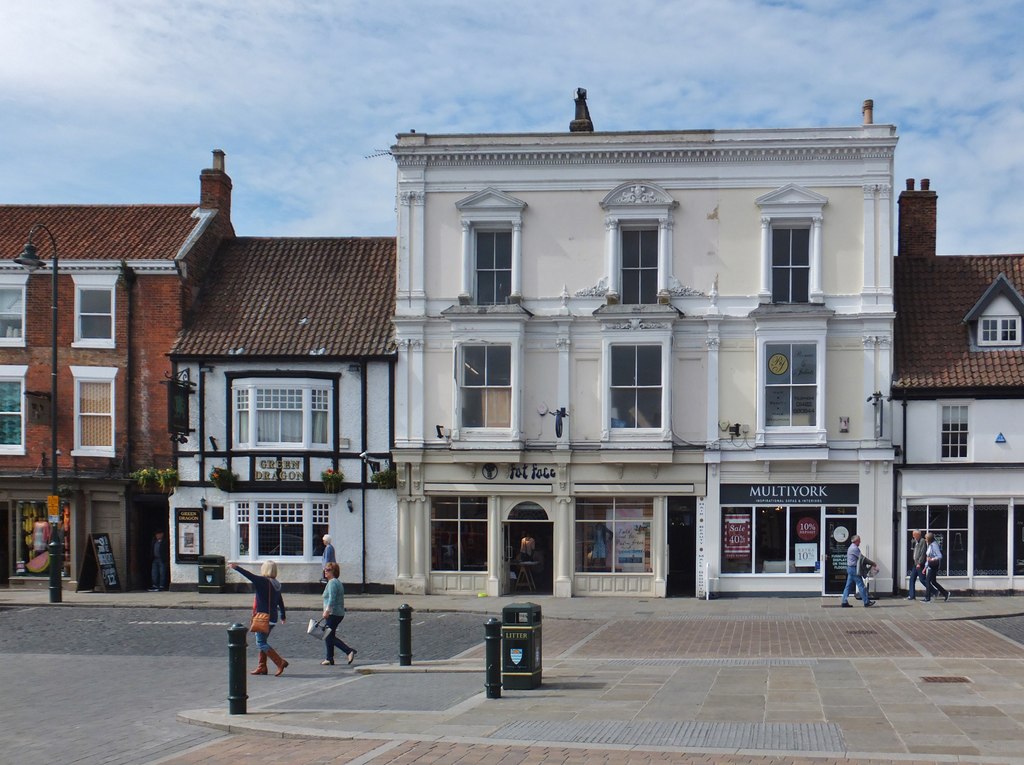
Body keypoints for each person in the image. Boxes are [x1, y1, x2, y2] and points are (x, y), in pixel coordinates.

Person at [229, 561, 288, 675]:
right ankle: (262, 667)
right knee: (263, 641)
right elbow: (280, 600)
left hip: (263, 617)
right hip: (272, 618)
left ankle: (280, 662)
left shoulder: (263, 581)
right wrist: (283, 615)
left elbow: (249, 575)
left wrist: (236, 568)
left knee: (260, 642)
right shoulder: (276, 583)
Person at [321, 561, 357, 666]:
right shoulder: (337, 582)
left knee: (328, 636)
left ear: (333, 572)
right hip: (338, 613)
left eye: (328, 570)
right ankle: (329, 658)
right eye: (325, 569)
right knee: (329, 634)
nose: (325, 571)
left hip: (334, 613)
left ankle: (348, 651)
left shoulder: (332, 583)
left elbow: (332, 599)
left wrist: (327, 611)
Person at [840, 535, 875, 607]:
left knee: (848, 586)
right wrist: (873, 563)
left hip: (850, 568)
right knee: (861, 585)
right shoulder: (854, 548)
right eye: (859, 540)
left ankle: (844, 601)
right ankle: (866, 602)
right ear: (856, 541)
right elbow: (863, 559)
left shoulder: (851, 547)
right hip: (853, 569)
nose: (860, 542)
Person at [923, 532, 950, 603]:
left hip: (933, 565)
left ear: (929, 539)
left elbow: (939, 556)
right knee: (933, 582)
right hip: (930, 565)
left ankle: (927, 598)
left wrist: (932, 559)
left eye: (926, 538)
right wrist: (925, 567)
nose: (925, 539)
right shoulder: (930, 545)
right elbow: (928, 557)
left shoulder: (934, 545)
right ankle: (945, 593)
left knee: (928, 581)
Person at [907, 529, 927, 600]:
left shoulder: (922, 541)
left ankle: (934, 591)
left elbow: (923, 553)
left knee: (922, 580)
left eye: (914, 534)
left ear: (918, 535)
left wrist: (919, 563)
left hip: (919, 564)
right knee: (912, 579)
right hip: (915, 564)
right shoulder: (916, 542)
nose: (913, 536)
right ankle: (911, 595)